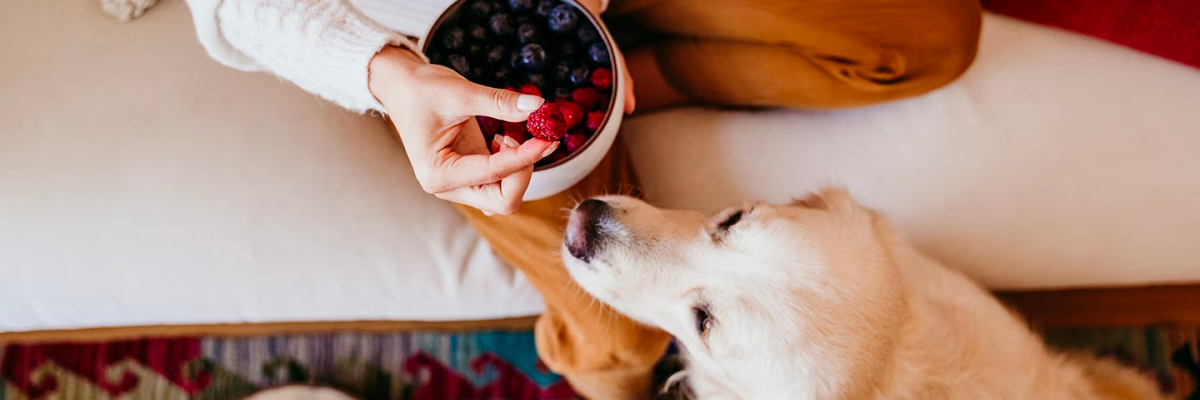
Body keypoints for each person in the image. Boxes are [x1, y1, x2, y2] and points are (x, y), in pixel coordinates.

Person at [184, 0, 981, 398]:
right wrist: (384, 74)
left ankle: (629, 87)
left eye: (736, 223)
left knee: (931, 30)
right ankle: (592, 104)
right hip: (436, 48)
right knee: (623, 349)